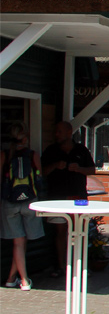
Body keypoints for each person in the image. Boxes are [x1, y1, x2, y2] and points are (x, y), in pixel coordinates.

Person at [41, 120, 96, 277]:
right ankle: (62, 267)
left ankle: (81, 265)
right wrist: (55, 165)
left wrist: (79, 169)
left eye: (59, 131)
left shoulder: (81, 150)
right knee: (60, 232)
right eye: (55, 132)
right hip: (57, 197)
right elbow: (42, 171)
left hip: (78, 196)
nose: (56, 135)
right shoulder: (51, 151)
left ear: (68, 132)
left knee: (80, 230)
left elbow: (92, 170)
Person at [1, 124, 44, 291]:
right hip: (30, 202)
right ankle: (24, 280)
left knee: (18, 242)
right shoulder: (33, 155)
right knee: (22, 241)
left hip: (10, 203)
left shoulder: (4, 155)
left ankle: (13, 278)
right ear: (25, 139)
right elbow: (39, 177)